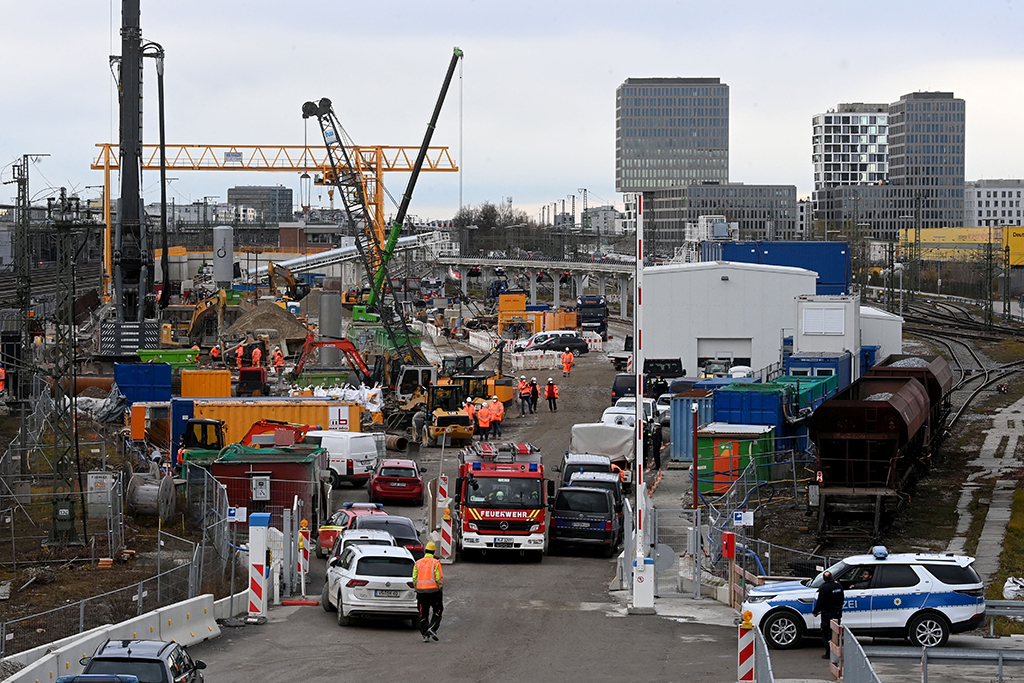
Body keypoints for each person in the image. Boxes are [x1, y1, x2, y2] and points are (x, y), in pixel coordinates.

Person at [412, 541, 444, 642]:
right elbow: (439, 578)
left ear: (425, 551)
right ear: (433, 552)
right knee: (438, 610)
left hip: (421, 593)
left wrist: (417, 589)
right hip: (434, 592)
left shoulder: (418, 563)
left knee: (423, 613)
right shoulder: (436, 562)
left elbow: (414, 578)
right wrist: (439, 587)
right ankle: (432, 628)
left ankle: (425, 634)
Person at [812, 570, 845, 659]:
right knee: (835, 632)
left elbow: (820, 602)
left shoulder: (824, 588)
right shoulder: (839, 586)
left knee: (826, 633)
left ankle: (829, 653)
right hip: (837, 612)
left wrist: (815, 611)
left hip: (827, 613)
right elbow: (842, 599)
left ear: (824, 579)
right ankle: (836, 651)